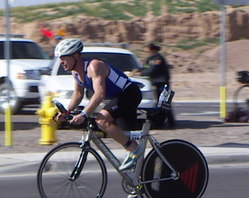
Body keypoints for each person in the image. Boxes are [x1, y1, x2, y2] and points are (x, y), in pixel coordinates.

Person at [54, 38, 143, 173]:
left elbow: (99, 94)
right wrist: (67, 112)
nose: (61, 62)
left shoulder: (94, 66)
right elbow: (78, 94)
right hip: (117, 98)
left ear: (76, 56)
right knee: (130, 160)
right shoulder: (76, 72)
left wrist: (84, 114)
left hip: (129, 94)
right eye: (60, 58)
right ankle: (136, 184)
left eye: (64, 58)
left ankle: (135, 149)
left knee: (101, 120)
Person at [132, 43, 175, 128]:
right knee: (159, 104)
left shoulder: (158, 58)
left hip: (162, 83)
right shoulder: (151, 58)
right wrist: (138, 69)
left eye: (147, 49)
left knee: (164, 103)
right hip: (156, 84)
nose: (146, 51)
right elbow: (146, 67)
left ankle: (170, 122)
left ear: (152, 49)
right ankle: (160, 122)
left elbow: (153, 69)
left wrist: (141, 73)